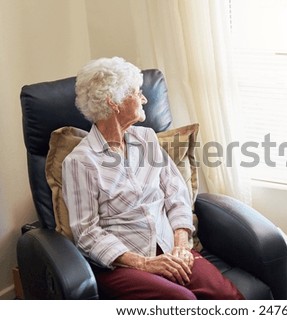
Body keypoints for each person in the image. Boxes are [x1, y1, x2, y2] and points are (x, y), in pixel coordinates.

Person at [62, 57, 244, 300]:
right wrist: (145, 264)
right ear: (113, 102)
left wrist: (180, 245)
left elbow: (176, 193)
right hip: (121, 263)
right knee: (183, 301)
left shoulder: (146, 138)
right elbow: (86, 232)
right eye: (137, 93)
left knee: (227, 296)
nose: (144, 99)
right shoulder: (80, 162)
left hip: (171, 248)